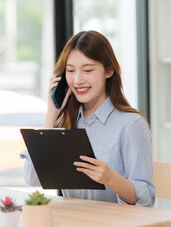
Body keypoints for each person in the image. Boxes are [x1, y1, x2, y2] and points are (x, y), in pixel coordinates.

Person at [21, 30, 155, 207]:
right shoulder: (67, 124)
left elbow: (146, 200)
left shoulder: (131, 125)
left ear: (108, 71)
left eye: (88, 70)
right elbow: (32, 178)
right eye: (70, 71)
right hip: (73, 225)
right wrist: (51, 114)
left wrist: (110, 178)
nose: (78, 80)